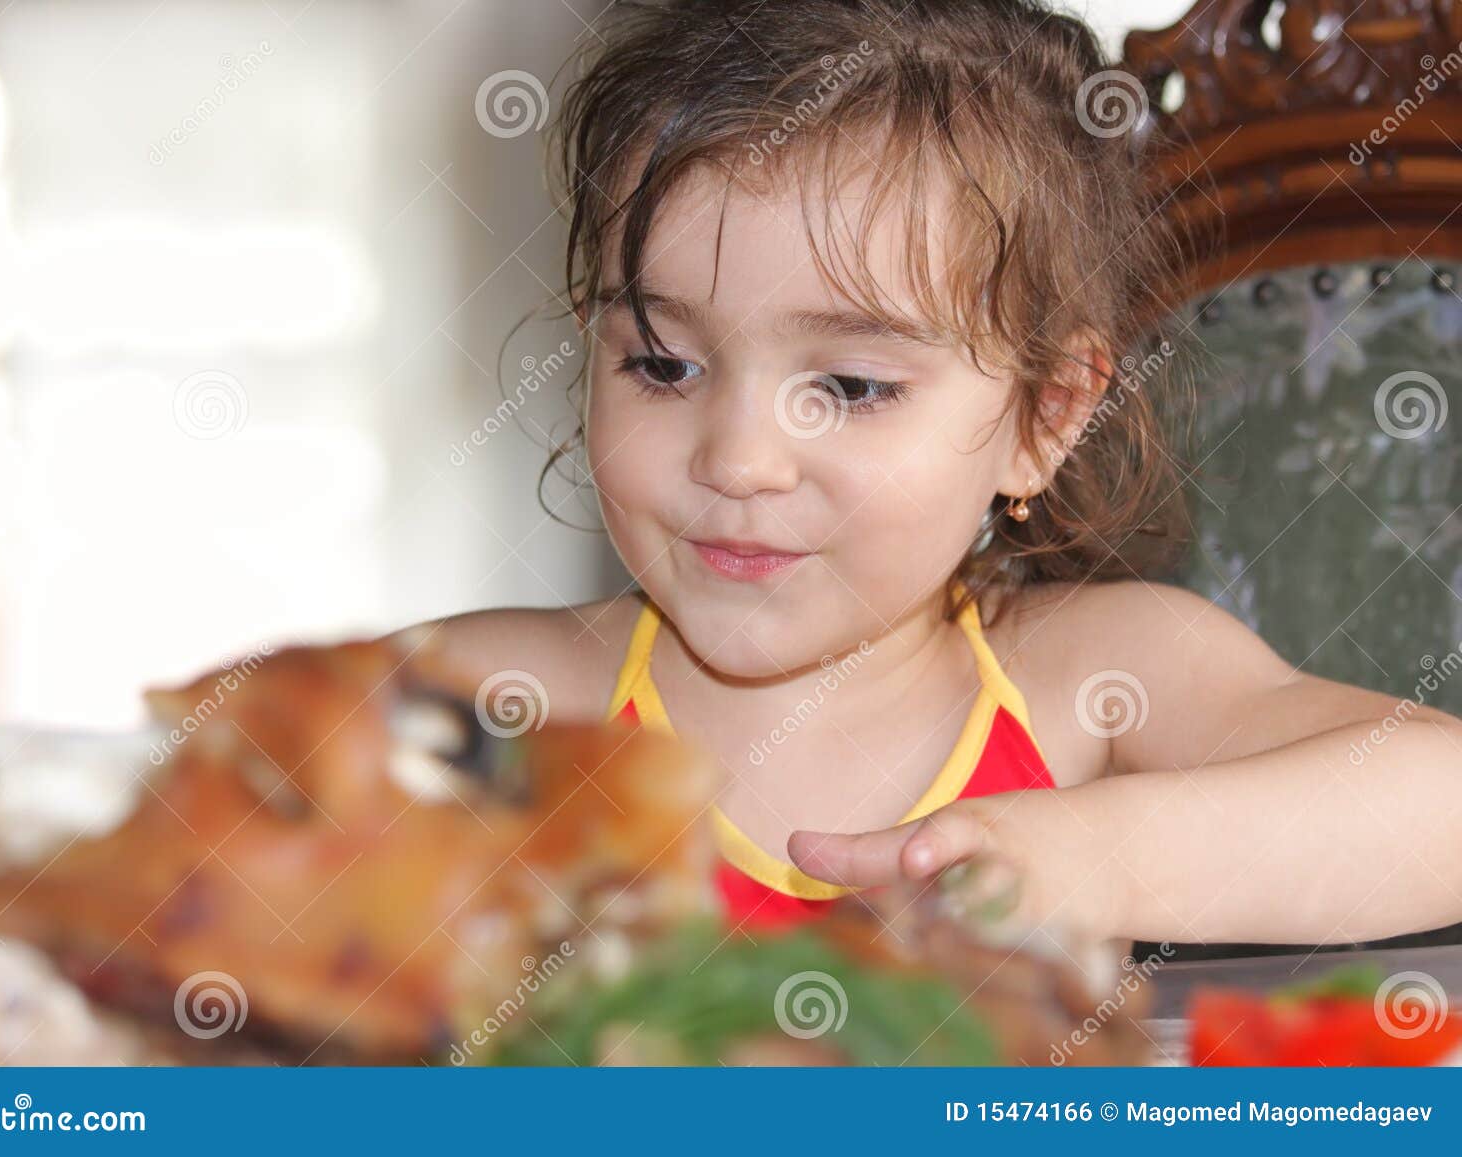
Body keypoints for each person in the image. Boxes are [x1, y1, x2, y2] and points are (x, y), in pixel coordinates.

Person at [410, 0, 1462, 941]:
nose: (735, 458)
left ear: (1045, 413)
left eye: (855, 386)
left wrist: (1098, 857)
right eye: (661, 363)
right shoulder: (512, 700)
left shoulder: (1095, 684)